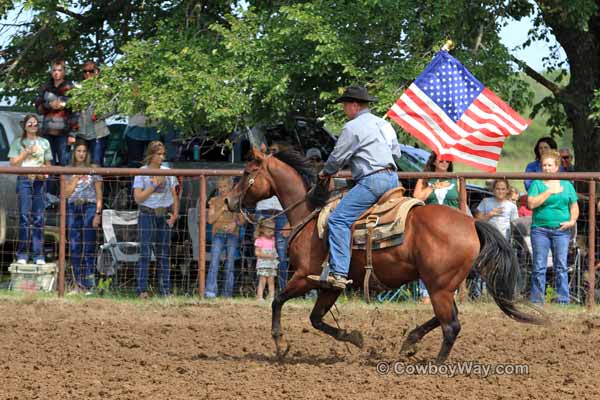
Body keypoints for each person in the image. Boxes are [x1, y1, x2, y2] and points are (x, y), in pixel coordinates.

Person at [307, 85, 401, 290]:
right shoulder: (384, 124)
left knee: (338, 219)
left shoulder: (352, 127)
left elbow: (338, 157)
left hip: (372, 181)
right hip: (393, 179)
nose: (343, 109)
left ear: (354, 105)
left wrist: (326, 172)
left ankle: (339, 272)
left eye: (345, 105)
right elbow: (396, 154)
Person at [527, 149, 578, 304]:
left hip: (561, 231)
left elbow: (574, 206)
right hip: (540, 230)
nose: (547, 168)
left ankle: (563, 299)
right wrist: (549, 192)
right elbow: (531, 204)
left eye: (550, 165)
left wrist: (572, 221)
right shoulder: (537, 183)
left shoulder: (567, 185)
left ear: (557, 167)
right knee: (539, 266)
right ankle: (537, 300)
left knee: (561, 266)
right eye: (544, 165)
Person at [413, 152, 461, 303]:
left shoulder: (457, 179)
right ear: (434, 161)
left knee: (452, 260)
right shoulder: (425, 178)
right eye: (442, 159)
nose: (445, 162)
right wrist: (434, 186)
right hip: (429, 229)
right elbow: (417, 198)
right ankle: (426, 294)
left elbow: (462, 203)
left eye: (448, 160)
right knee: (428, 260)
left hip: (452, 227)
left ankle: (450, 292)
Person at [133, 141, 179, 298]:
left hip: (163, 215)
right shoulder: (142, 172)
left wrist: (174, 214)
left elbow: (174, 195)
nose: (162, 157)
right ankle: (141, 290)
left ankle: (165, 290)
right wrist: (154, 186)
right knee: (145, 253)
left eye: (163, 154)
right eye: (159, 154)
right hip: (146, 214)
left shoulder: (168, 171)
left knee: (164, 254)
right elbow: (138, 198)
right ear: (151, 155)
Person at [8, 114, 52, 265]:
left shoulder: (44, 142)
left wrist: (43, 174)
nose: (33, 126)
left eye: (35, 124)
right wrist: (25, 153)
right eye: (30, 124)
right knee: (24, 218)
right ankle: (22, 254)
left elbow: (48, 165)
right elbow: (13, 164)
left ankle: (38, 255)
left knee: (39, 218)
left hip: (39, 181)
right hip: (24, 180)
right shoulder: (17, 142)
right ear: (24, 125)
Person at [64, 141, 102, 294]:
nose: (81, 154)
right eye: (78, 150)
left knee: (89, 245)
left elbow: (99, 193)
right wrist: (74, 179)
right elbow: (66, 194)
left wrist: (98, 213)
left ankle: (90, 285)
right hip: (73, 207)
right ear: (74, 153)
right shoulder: (68, 170)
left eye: (84, 151)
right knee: (74, 246)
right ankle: (78, 284)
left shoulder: (94, 169)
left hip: (90, 207)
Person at [205, 177, 244, 298]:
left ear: (230, 186)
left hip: (232, 234)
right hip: (218, 234)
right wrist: (222, 209)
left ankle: (227, 293)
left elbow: (242, 220)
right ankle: (211, 292)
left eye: (224, 186)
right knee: (214, 261)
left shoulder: (236, 201)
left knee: (230, 263)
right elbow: (210, 220)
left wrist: (235, 224)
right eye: (220, 187)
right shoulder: (214, 201)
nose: (222, 189)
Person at [34, 59, 77, 166]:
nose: (56, 72)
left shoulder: (71, 88)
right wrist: (48, 105)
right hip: (47, 132)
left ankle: (65, 183)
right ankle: (50, 183)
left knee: (64, 164)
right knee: (49, 164)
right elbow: (38, 108)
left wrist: (72, 134)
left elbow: (76, 112)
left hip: (64, 133)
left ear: (64, 71)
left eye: (59, 70)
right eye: (54, 70)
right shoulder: (45, 87)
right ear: (51, 72)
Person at [74, 61, 110, 166]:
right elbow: (72, 110)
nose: (88, 74)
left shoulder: (104, 89)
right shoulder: (78, 89)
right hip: (81, 133)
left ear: (97, 72)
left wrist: (99, 115)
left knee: (97, 164)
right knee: (79, 163)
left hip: (98, 133)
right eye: (85, 71)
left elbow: (113, 108)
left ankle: (98, 183)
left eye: (91, 71)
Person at [254, 219, 278, 301]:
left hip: (271, 264)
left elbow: (274, 250)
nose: (271, 233)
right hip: (263, 264)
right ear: (262, 230)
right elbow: (257, 252)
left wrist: (274, 255)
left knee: (271, 281)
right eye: (269, 231)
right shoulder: (259, 240)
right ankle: (259, 297)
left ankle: (271, 297)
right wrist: (267, 255)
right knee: (262, 281)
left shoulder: (273, 239)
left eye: (272, 231)